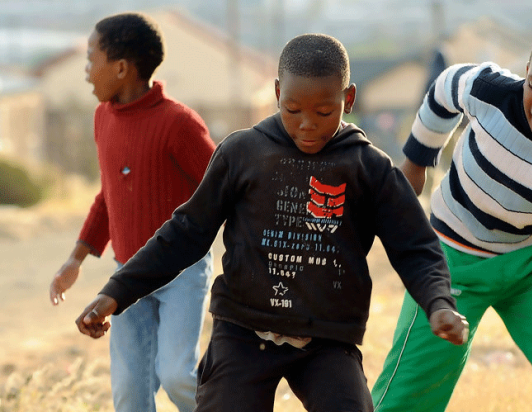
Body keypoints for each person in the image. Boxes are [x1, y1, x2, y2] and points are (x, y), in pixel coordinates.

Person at [74, 33, 468, 412]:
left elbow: (415, 247)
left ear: (348, 99)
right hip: (243, 332)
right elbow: (186, 232)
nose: (307, 124)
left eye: (324, 112)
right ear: (278, 93)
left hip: (327, 337)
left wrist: (438, 302)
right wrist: (118, 291)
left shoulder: (369, 168)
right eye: (293, 110)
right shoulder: (242, 153)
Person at [371, 20, 532, 412]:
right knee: (410, 389)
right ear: (526, 72)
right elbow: (444, 87)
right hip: (451, 257)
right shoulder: (488, 90)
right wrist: (416, 161)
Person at [49, 12, 216, 412]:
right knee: (129, 393)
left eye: (91, 58)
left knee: (177, 375)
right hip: (128, 275)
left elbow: (225, 186)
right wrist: (75, 259)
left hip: (182, 272)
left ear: (121, 68)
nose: (87, 71)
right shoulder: (103, 118)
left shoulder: (178, 123)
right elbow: (110, 194)